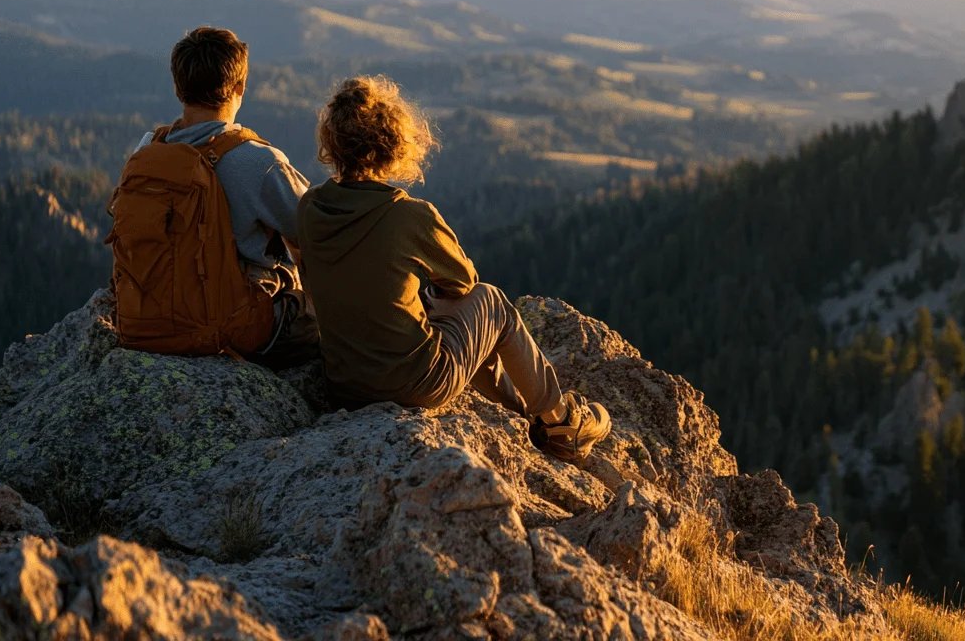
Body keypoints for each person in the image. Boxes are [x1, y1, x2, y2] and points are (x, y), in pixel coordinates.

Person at [297, 75, 611, 462]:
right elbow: (464, 283)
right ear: (393, 145)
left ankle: (522, 414)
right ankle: (560, 421)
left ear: (332, 144)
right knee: (491, 303)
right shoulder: (409, 214)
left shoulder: (310, 208)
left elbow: (317, 287)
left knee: (433, 314)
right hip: (414, 386)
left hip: (343, 385)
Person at [108, 26, 319, 368]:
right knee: (332, 322)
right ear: (240, 88)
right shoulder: (259, 162)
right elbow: (321, 233)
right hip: (237, 329)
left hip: (146, 323)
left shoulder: (146, 151)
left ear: (179, 88)